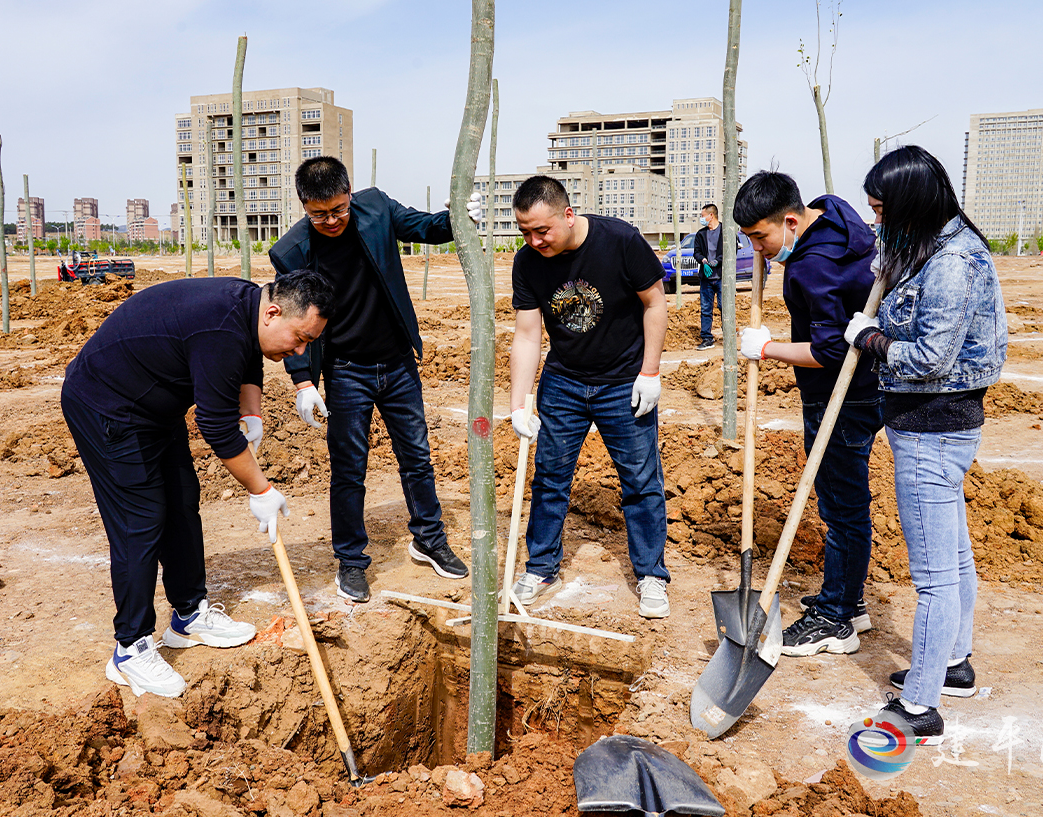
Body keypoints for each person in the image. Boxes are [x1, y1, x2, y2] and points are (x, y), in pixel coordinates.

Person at [61, 270, 335, 698]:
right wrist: (261, 490)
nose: (300, 350)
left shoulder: (249, 306)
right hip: (107, 407)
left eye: (308, 344)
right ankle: (130, 650)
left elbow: (250, 362)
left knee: (183, 502)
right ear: (274, 312)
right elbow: (212, 424)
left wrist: (253, 414)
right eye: (299, 338)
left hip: (154, 410)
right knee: (142, 520)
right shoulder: (221, 325)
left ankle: (188, 617)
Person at [843, 145, 1007, 745]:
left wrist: (871, 338)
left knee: (933, 576)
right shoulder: (927, 241)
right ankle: (954, 664)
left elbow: (930, 358)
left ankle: (920, 707)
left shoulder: (954, 263)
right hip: (934, 425)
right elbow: (885, 262)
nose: (878, 220)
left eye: (883, 210)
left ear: (912, 203)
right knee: (955, 553)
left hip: (932, 427)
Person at [269, 157, 483, 604]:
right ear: (303, 206)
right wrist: (302, 382)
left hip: (398, 363)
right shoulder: (291, 251)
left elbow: (428, 228)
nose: (331, 220)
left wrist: (461, 217)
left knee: (417, 458)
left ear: (350, 194)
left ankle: (429, 539)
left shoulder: (377, 208)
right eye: (319, 214)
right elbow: (289, 321)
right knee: (349, 470)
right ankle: (351, 561)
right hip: (346, 370)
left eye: (339, 209)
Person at [507, 175, 671, 618]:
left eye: (542, 230)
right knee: (550, 479)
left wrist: (650, 372)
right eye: (525, 232)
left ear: (568, 214)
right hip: (564, 382)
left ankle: (652, 574)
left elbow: (655, 303)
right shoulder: (528, 263)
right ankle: (541, 568)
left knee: (640, 481)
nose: (535, 240)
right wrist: (518, 401)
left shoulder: (619, 241)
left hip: (623, 380)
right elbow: (526, 335)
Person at [733, 171, 881, 657]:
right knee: (845, 499)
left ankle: (836, 618)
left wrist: (768, 348)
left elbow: (834, 350)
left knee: (840, 505)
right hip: (870, 389)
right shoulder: (835, 214)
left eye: (761, 237)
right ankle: (848, 599)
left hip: (840, 393)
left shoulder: (813, 268)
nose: (757, 249)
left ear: (791, 220)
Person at [693, 204, 723, 351]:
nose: (701, 218)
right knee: (706, 309)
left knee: (724, 307)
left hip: (722, 278)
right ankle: (707, 338)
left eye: (703, 215)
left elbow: (732, 250)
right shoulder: (700, 234)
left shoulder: (726, 231)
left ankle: (728, 335)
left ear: (711, 215)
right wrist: (703, 260)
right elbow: (696, 252)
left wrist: (718, 261)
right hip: (706, 279)